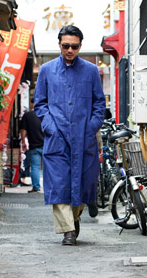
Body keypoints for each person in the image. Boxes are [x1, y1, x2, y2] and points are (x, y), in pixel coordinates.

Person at [34, 25, 106, 246]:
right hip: (57, 137)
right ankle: (68, 231)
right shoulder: (46, 70)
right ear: (59, 45)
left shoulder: (91, 71)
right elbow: (40, 104)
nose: (70, 50)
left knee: (83, 182)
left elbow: (99, 104)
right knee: (59, 183)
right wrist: (50, 127)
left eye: (74, 46)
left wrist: (91, 126)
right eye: (66, 46)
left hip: (84, 137)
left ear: (80, 46)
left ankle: (74, 219)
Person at [19, 108, 43, 193]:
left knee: (35, 167)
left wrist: (23, 142)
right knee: (50, 167)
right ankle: (51, 188)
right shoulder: (48, 114)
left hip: (34, 145)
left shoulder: (28, 115)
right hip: (48, 146)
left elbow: (23, 130)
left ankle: (36, 187)